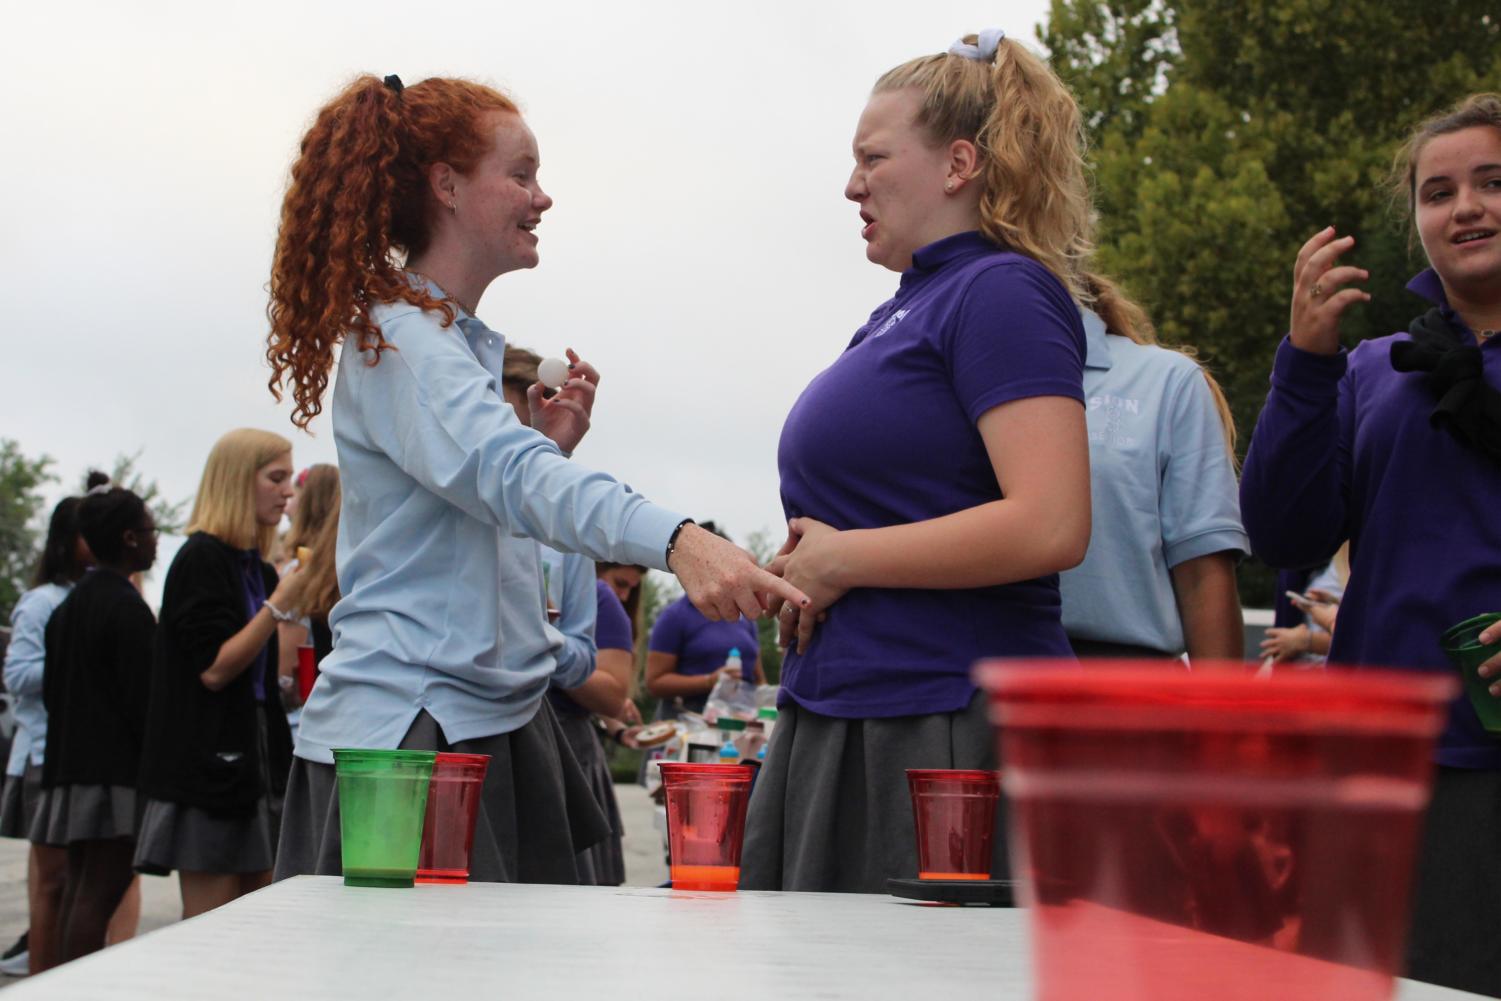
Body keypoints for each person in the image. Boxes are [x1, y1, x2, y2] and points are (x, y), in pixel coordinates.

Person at [262, 73, 807, 884]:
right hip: (415, 740)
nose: (542, 197)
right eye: (520, 173)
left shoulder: (441, 344)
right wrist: (679, 538)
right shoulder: (406, 342)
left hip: (475, 723)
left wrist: (544, 450)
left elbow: (480, 509)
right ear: (445, 184)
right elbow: (509, 477)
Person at [742, 29, 1094, 894]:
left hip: (942, 728)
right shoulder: (904, 307)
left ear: (958, 164)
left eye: (872, 156)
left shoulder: (1002, 290)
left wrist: (842, 560)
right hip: (850, 711)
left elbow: (1051, 521)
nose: (851, 183)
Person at [1238, 93, 1501, 996]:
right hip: (1376, 767)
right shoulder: (1369, 372)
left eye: (1491, 182)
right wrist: (1304, 360)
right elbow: (1282, 532)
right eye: (1437, 191)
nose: (1464, 205)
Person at [134, 429, 303, 918]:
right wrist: (278, 608)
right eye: (276, 478)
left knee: (258, 916)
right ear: (235, 482)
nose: (288, 492)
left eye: (290, 478)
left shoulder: (257, 568)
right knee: (211, 926)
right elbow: (214, 668)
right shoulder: (201, 559)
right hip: (207, 765)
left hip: (253, 761)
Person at [1058, 297, 1247, 662]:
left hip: (1124, 688)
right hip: (969, 682)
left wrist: (1220, 715)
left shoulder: (1163, 379)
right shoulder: (941, 371)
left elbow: (1203, 575)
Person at [31, 487, 157, 966]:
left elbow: (51, 695)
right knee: (94, 899)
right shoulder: (125, 609)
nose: (154, 542)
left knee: (79, 892)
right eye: (149, 531)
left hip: (69, 773)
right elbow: (142, 702)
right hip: (112, 780)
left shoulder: (67, 609)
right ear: (128, 538)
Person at [1, 496, 88, 975]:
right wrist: (74, 660)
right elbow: (17, 676)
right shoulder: (41, 602)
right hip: (43, 755)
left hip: (85, 757)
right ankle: (39, 975)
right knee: (51, 881)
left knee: (84, 880)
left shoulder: (104, 593)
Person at [646, 568, 764, 720]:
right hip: (690, 720)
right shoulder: (674, 616)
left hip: (739, 718)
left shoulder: (745, 617)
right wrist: (709, 681)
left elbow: (758, 678)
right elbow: (655, 683)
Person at [273, 463, 340, 730]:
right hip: (337, 710)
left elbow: (284, 669)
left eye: (293, 497)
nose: (287, 506)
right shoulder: (345, 566)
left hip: (302, 720)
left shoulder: (300, 572)